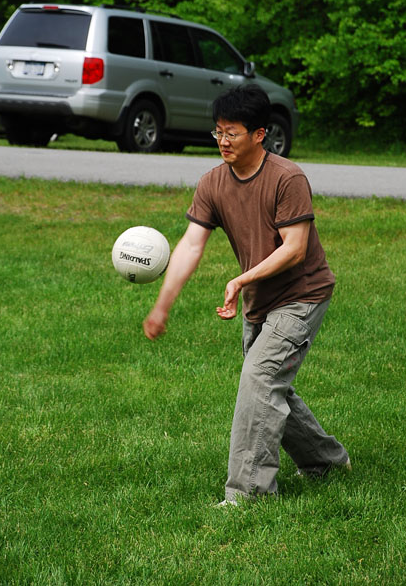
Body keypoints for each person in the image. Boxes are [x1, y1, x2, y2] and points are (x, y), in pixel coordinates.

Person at [143, 85, 350, 505]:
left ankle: (249, 494)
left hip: (303, 294)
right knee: (268, 384)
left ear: (259, 134)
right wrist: (161, 306)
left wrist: (240, 280)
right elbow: (191, 245)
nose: (222, 141)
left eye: (231, 133)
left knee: (259, 380)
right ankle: (325, 461)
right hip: (260, 301)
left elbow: (294, 248)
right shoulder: (213, 183)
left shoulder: (287, 178)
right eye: (217, 132)